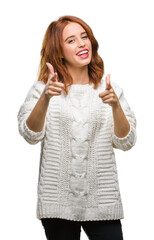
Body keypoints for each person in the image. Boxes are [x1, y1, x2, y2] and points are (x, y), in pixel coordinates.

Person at [17, 15, 137, 240]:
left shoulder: (110, 89)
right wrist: (45, 98)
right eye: (71, 40)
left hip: (103, 201)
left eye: (84, 37)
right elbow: (30, 135)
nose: (82, 43)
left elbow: (126, 141)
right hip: (58, 203)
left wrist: (115, 105)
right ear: (59, 51)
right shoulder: (43, 89)